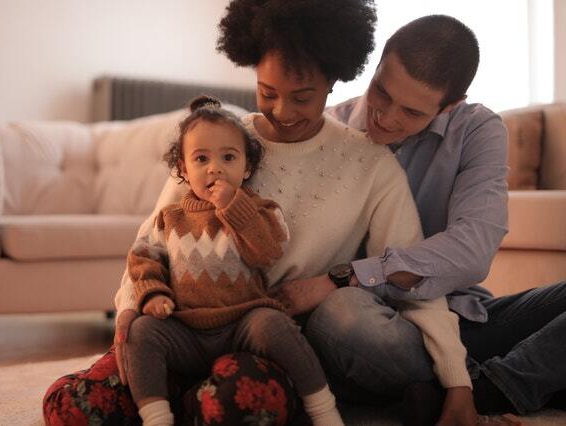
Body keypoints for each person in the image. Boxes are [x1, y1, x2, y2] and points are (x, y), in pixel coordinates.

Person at [115, 2, 480, 424]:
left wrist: (458, 384)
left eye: (303, 97)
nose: (283, 112)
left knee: (238, 398)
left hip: (287, 343)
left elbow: (412, 283)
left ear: (334, 82)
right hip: (192, 326)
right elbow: (151, 241)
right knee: (82, 402)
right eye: (267, 92)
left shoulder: (372, 164)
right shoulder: (220, 142)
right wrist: (128, 312)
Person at [264, 13, 566, 421]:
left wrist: (348, 274)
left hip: (464, 322)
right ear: (376, 67)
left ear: (449, 106)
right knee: (343, 317)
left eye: (410, 112)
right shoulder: (326, 129)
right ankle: (521, 378)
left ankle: (489, 389)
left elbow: (474, 250)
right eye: (381, 93)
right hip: (366, 329)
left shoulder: (476, 129)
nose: (385, 118)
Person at [124, 95, 344, 426]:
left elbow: (266, 251)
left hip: (243, 324)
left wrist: (232, 207)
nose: (214, 168)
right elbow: (144, 258)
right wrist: (153, 293)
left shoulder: (260, 210)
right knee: (142, 331)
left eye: (228, 157)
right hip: (186, 328)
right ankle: (157, 417)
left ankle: (324, 410)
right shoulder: (170, 218)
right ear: (183, 169)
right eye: (201, 159)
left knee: (274, 324)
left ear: (247, 167)